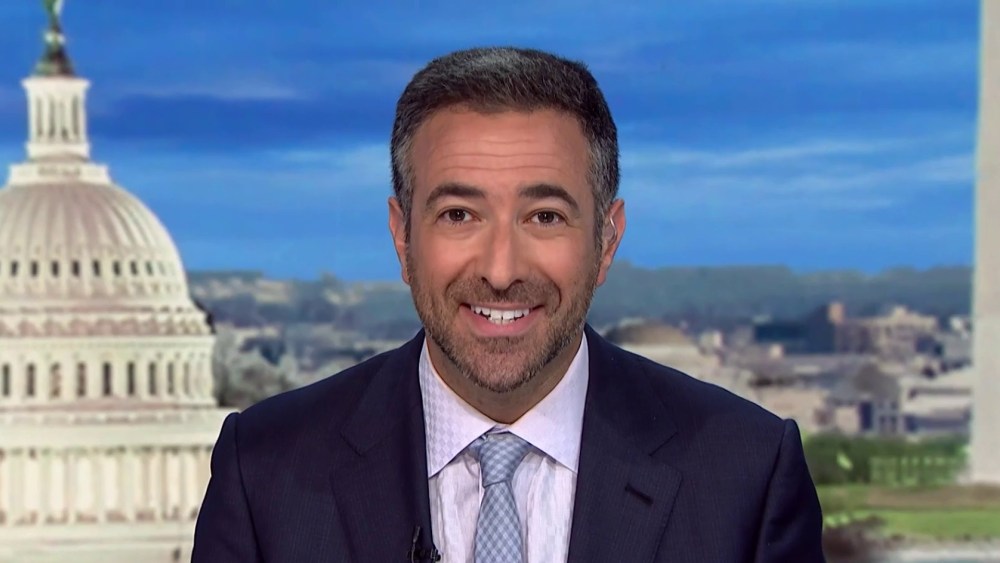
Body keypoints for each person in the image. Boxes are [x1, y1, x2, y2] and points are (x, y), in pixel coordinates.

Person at [191, 47, 825, 563]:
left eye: (544, 216)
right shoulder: (266, 473)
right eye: (458, 215)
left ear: (606, 241)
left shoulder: (746, 476)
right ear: (402, 237)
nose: (501, 271)